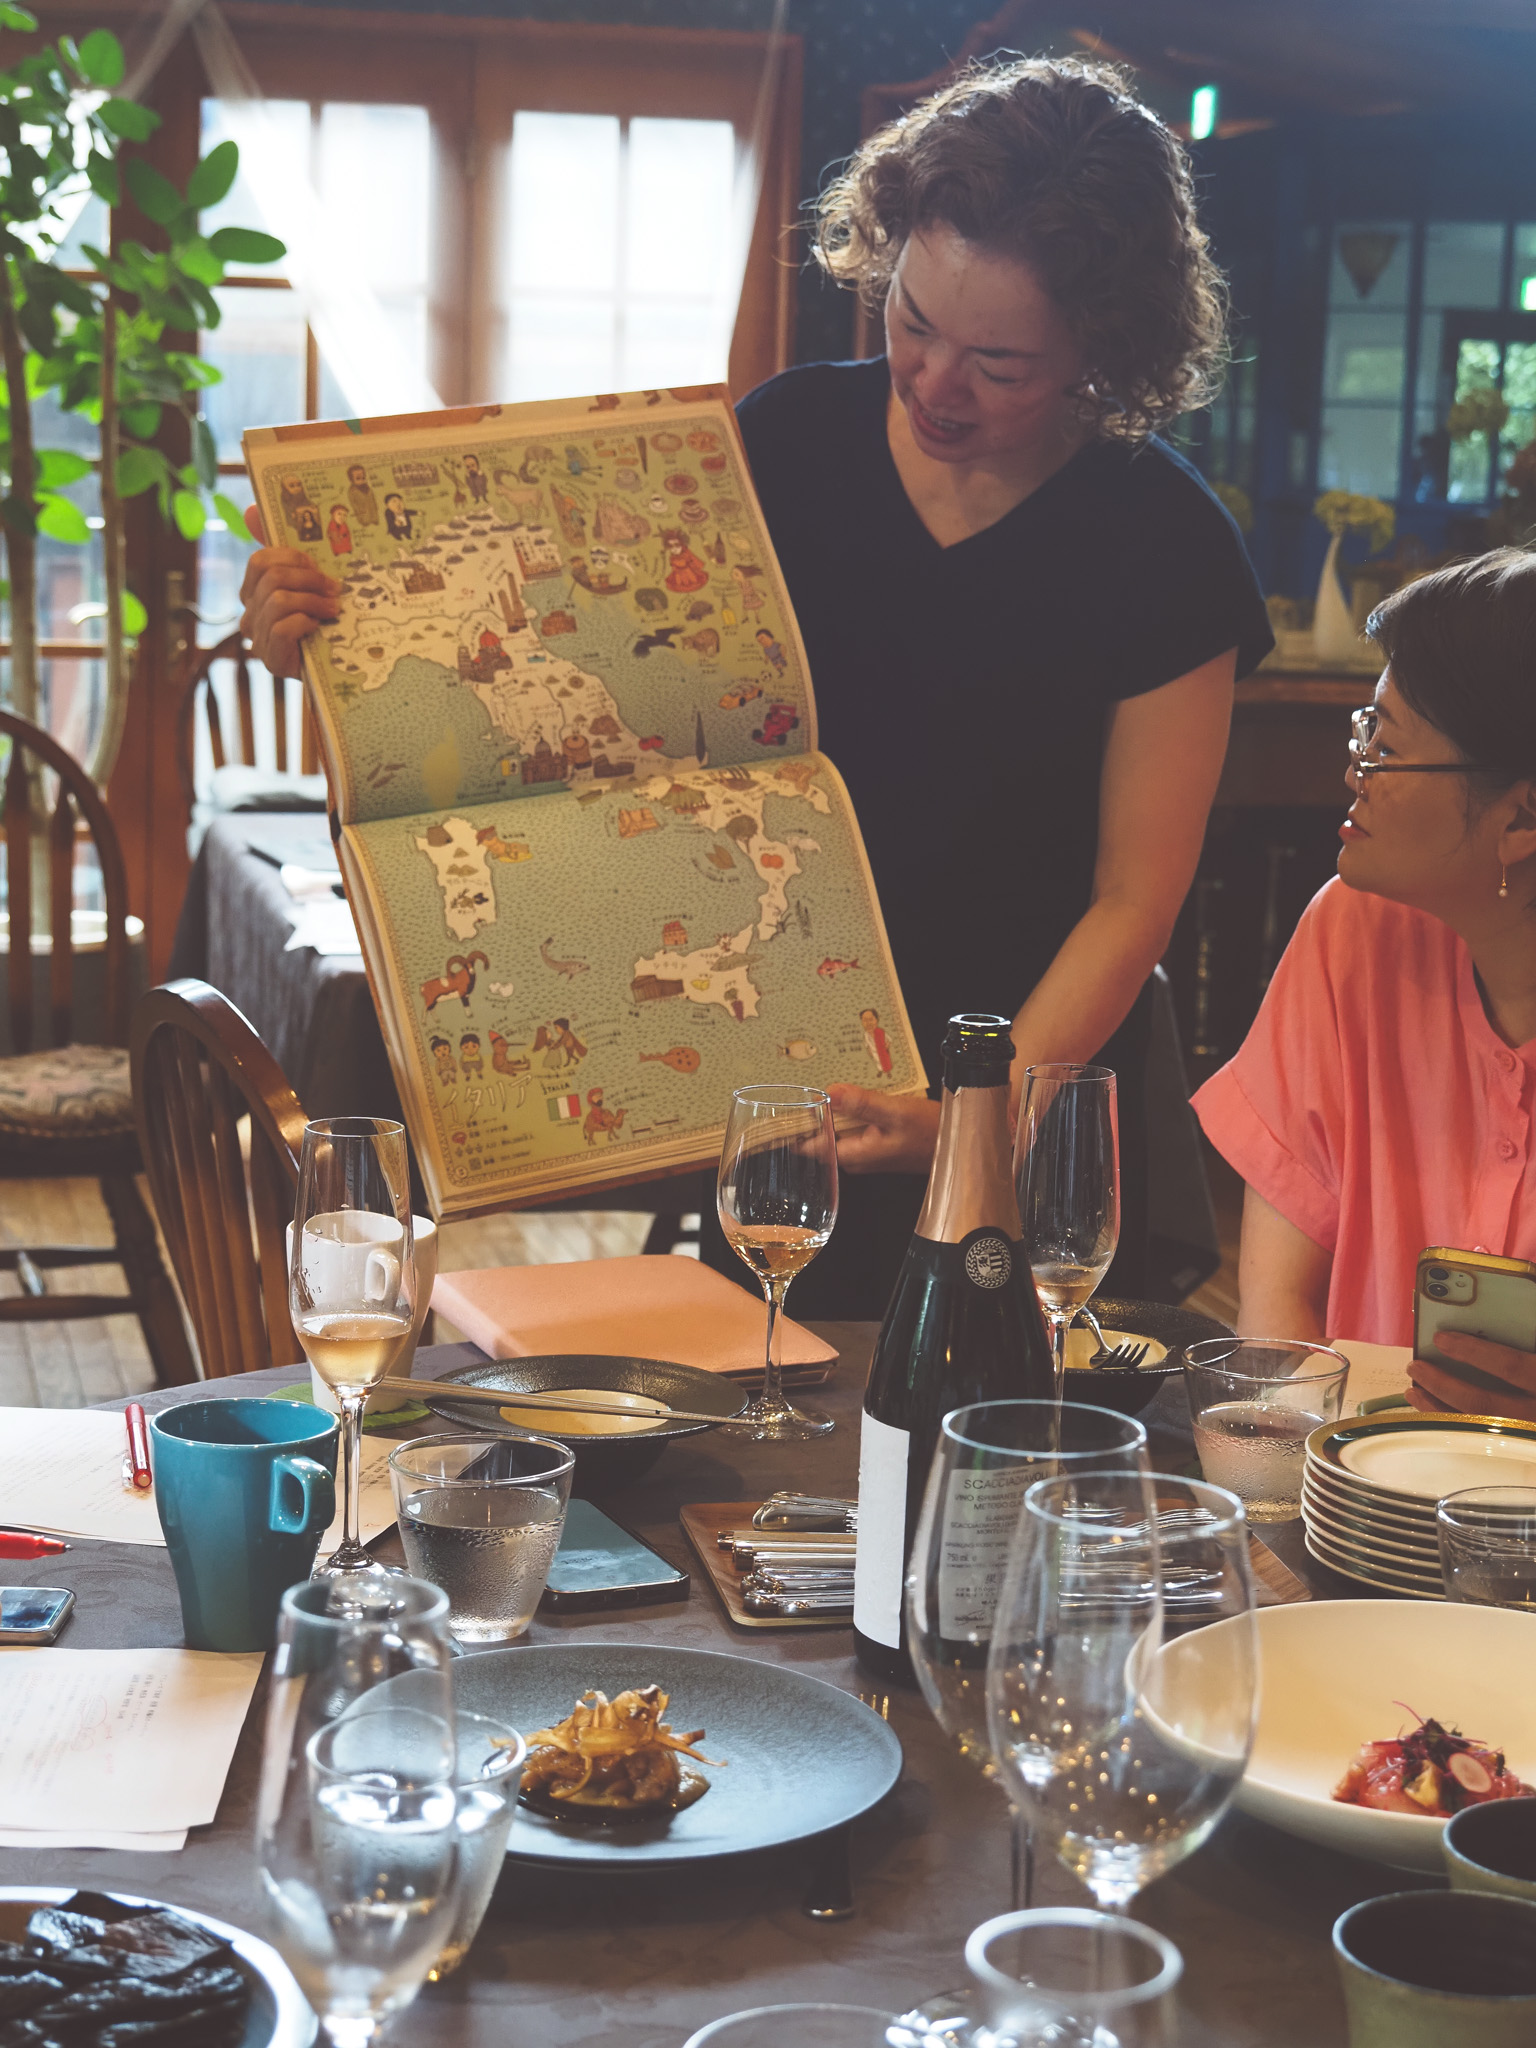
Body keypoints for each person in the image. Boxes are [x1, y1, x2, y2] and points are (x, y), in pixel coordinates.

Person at [237, 57, 1271, 1315]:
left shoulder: (1166, 544)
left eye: (1000, 365)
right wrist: (332, 634)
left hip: (1025, 1094)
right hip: (785, 1068)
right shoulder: (783, 444)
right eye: (911, 322)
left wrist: (971, 1116)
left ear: (1103, 347)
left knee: (1010, 1411)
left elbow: (1133, 899)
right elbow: (593, 710)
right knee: (778, 1401)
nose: (936, 383)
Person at [1192, 550, 1536, 1423]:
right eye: (1362, 734)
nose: (1354, 773)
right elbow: (1277, 1318)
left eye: (1386, 749)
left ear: (1522, 817)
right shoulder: (1354, 932)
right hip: (1350, 1480)